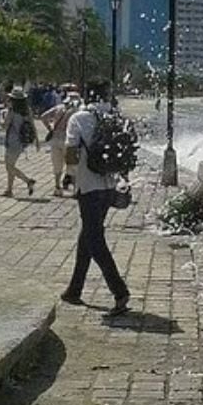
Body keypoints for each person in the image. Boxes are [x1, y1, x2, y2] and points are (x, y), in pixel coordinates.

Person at [61, 80, 130, 315]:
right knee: (88, 234)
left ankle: (119, 291)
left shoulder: (78, 118)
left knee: (95, 240)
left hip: (88, 185)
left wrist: (68, 177)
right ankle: (74, 289)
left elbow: (71, 150)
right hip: (109, 184)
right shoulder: (115, 117)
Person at [40, 90, 79, 196]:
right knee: (72, 164)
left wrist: (50, 128)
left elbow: (43, 116)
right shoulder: (76, 111)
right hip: (69, 140)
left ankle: (57, 188)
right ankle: (75, 190)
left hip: (56, 138)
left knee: (57, 164)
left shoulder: (58, 108)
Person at [1, 87, 38, 197]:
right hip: (22, 141)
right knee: (11, 165)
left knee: (9, 166)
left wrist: (1, 116)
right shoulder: (27, 110)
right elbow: (32, 125)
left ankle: (28, 181)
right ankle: (9, 189)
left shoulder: (12, 111)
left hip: (12, 141)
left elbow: (4, 126)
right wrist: (37, 140)